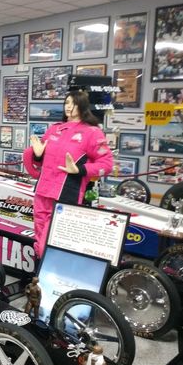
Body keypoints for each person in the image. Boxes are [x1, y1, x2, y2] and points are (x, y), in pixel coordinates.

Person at [23, 91, 113, 258]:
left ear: (82, 106)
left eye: (74, 103)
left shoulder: (92, 132)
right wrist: (37, 155)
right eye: (67, 102)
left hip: (66, 194)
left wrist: (80, 170)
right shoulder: (54, 129)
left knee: (48, 245)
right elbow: (41, 162)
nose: (69, 106)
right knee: (39, 240)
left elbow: (107, 165)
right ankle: (40, 271)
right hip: (42, 191)